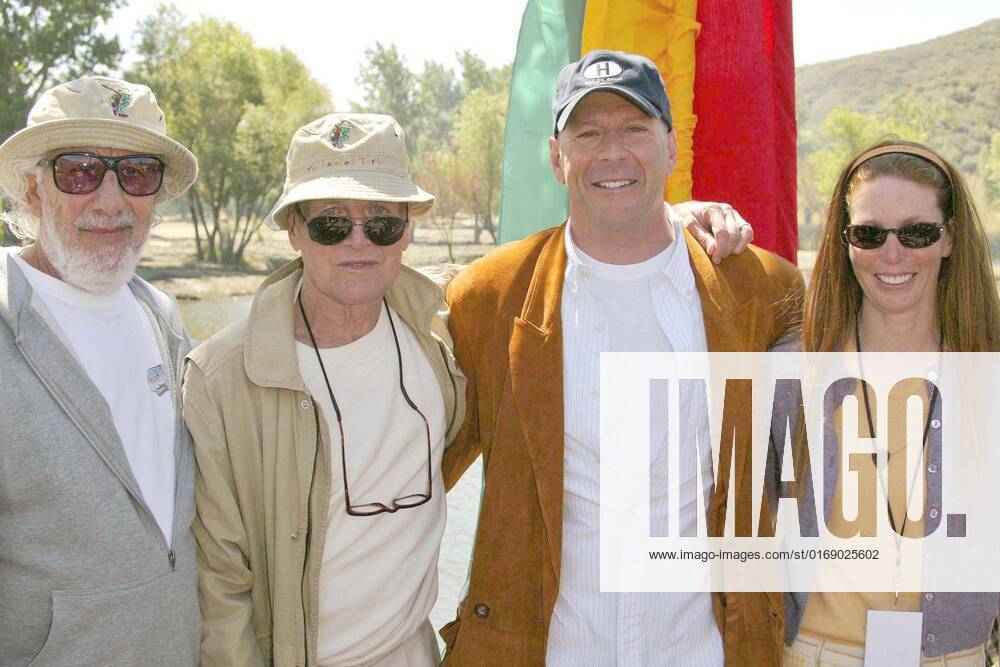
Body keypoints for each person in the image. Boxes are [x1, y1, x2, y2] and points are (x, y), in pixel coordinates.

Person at [438, 49, 804, 666]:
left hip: (707, 652)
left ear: (671, 148)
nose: (613, 152)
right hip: (548, 652)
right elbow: (412, 465)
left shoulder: (760, 288)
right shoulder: (488, 297)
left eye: (635, 129)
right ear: (558, 158)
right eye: (588, 133)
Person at [0, 76, 200, 665]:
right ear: (33, 189)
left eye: (136, 172)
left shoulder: (162, 316)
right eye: (81, 170)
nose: (111, 201)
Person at [779, 140, 1000, 665]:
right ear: (844, 241)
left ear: (949, 240)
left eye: (917, 232)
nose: (892, 254)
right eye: (869, 234)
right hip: (811, 653)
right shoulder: (790, 373)